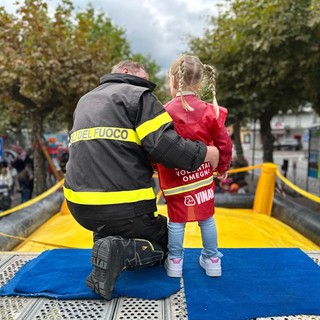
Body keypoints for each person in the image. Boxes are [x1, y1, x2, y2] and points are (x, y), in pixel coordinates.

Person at [63, 60, 220, 300]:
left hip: (79, 208)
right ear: (127, 71)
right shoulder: (138, 95)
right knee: (167, 242)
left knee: (114, 225)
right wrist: (206, 154)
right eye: (145, 79)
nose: (147, 85)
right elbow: (165, 146)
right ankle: (120, 251)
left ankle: (108, 242)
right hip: (123, 207)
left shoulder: (86, 100)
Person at [156, 55, 232, 278]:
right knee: (206, 217)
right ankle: (212, 258)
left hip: (174, 178)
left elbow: (156, 142)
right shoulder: (211, 111)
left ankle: (176, 260)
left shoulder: (164, 111)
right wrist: (223, 165)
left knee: (176, 219)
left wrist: (152, 165)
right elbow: (223, 142)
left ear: (173, 81)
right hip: (201, 177)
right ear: (200, 84)